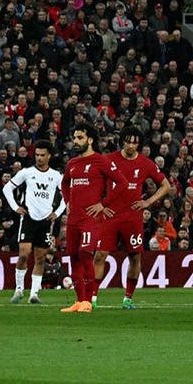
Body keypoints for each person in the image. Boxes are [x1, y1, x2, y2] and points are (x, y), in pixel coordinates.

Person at [95, 125, 172, 309]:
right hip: (111, 216)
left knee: (135, 257)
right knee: (100, 256)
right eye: (128, 142)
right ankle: (92, 298)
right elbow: (96, 183)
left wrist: (148, 202)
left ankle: (128, 298)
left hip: (132, 217)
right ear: (122, 141)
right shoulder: (108, 160)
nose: (131, 146)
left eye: (135, 143)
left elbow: (166, 185)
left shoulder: (145, 163)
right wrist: (101, 205)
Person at [3, 143, 66, 305]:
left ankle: (34, 294)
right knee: (24, 254)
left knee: (40, 258)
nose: (39, 158)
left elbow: (67, 195)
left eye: (42, 155)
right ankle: (18, 289)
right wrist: (16, 207)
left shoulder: (56, 176)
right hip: (28, 218)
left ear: (49, 156)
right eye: (37, 155)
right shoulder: (27, 172)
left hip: (45, 221)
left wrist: (57, 213)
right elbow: (7, 189)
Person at [58, 123, 107, 314]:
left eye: (80, 138)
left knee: (86, 254)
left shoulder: (100, 161)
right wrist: (67, 201)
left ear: (90, 140)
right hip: (74, 219)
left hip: (90, 218)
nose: (76, 141)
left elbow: (120, 183)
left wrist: (103, 204)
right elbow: (64, 184)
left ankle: (88, 300)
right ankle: (79, 301)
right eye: (75, 138)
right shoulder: (72, 164)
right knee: (73, 257)